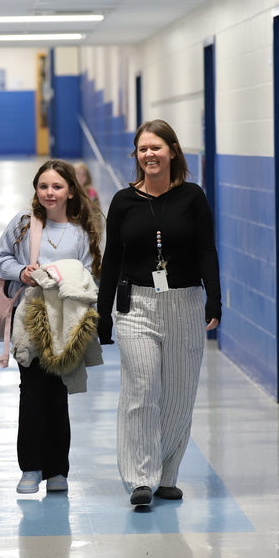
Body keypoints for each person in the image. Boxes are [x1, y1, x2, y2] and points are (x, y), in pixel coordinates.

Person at [96, 119, 222, 507]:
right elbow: (112, 257)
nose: (149, 154)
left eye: (156, 147)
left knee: (180, 395)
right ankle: (141, 478)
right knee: (142, 388)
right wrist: (103, 315)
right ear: (136, 155)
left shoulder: (193, 197)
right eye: (142, 148)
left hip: (184, 301)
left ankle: (167, 474)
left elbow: (206, 250)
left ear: (172, 151)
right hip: (136, 304)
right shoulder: (123, 201)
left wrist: (214, 299)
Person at [0, 160, 103, 495]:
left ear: (70, 190)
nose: (49, 193)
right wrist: (23, 271)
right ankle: (30, 468)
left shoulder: (83, 232)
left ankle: (57, 471)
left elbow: (90, 275)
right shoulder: (24, 224)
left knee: (57, 395)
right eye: (43, 187)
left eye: (56, 187)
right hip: (30, 318)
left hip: (66, 322)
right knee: (31, 393)